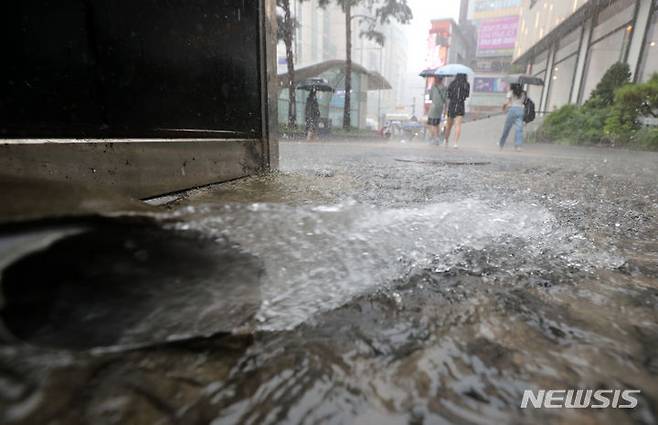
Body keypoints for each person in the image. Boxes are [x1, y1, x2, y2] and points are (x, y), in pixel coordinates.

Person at [444, 73, 470, 149]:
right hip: (460, 105)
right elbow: (466, 95)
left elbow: (448, 95)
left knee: (449, 125)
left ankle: (446, 140)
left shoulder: (452, 83)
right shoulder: (466, 84)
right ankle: (456, 143)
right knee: (458, 125)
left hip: (452, 105)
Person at [498, 83, 526, 151]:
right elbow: (523, 102)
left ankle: (501, 143)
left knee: (507, 128)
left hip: (512, 110)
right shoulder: (523, 93)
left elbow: (507, 102)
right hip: (520, 110)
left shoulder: (511, 92)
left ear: (512, 86)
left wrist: (503, 108)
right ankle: (518, 146)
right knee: (519, 129)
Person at [427, 76, 447, 144]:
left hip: (434, 106)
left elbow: (430, 97)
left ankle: (435, 138)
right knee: (437, 124)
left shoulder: (434, 87)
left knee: (431, 123)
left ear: (437, 79)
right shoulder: (444, 88)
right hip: (441, 107)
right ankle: (436, 137)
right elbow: (445, 99)